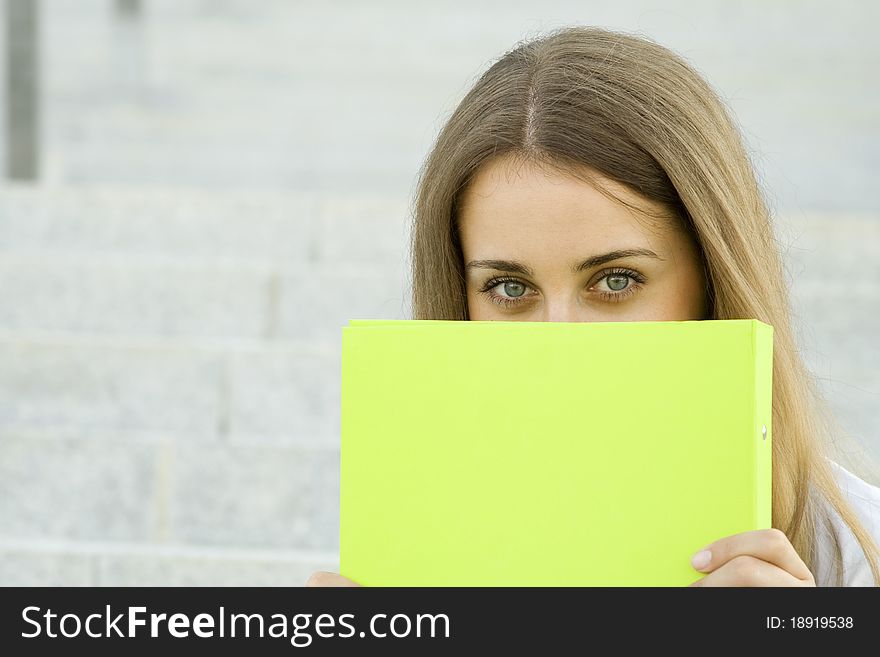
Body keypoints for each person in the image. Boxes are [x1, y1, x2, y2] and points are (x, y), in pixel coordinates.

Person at [307, 25, 880, 587]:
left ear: (712, 278)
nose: (561, 338)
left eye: (616, 281)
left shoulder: (857, 555)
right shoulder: (406, 562)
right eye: (510, 288)